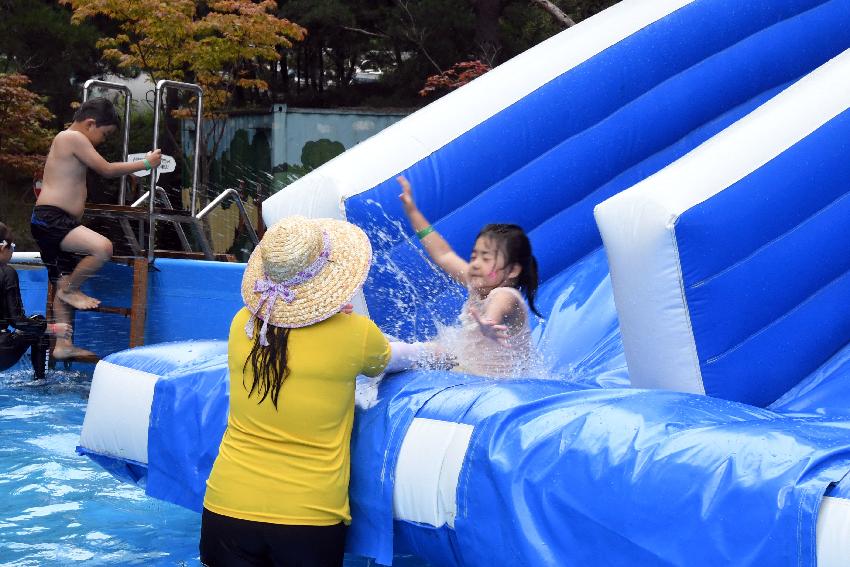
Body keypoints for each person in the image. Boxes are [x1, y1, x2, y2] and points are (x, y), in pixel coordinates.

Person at [201, 215, 407, 567]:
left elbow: (289, 334)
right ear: (330, 277)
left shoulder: (242, 325)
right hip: (308, 516)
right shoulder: (356, 334)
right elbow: (395, 358)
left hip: (226, 505)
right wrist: (448, 351)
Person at [31, 97, 161, 359]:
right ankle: (70, 291)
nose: (103, 140)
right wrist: (146, 164)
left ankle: (62, 345)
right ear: (90, 124)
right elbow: (107, 169)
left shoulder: (68, 140)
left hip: (50, 221)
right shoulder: (71, 137)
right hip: (52, 218)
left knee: (62, 280)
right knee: (102, 248)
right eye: (105, 134)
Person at [397, 175, 541, 378]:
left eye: (486, 258)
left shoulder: (506, 295)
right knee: (431, 350)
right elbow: (444, 255)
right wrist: (412, 211)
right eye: (474, 256)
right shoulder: (477, 282)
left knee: (428, 352)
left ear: (513, 271)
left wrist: (488, 325)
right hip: (469, 369)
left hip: (501, 384)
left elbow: (495, 310)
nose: (475, 264)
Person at [0, 223, 72, 379]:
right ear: (2, 247)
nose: (13, 251)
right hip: (2, 352)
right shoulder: (6, 272)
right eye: (12, 246)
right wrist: (52, 328)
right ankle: (40, 382)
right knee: (38, 325)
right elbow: (17, 321)